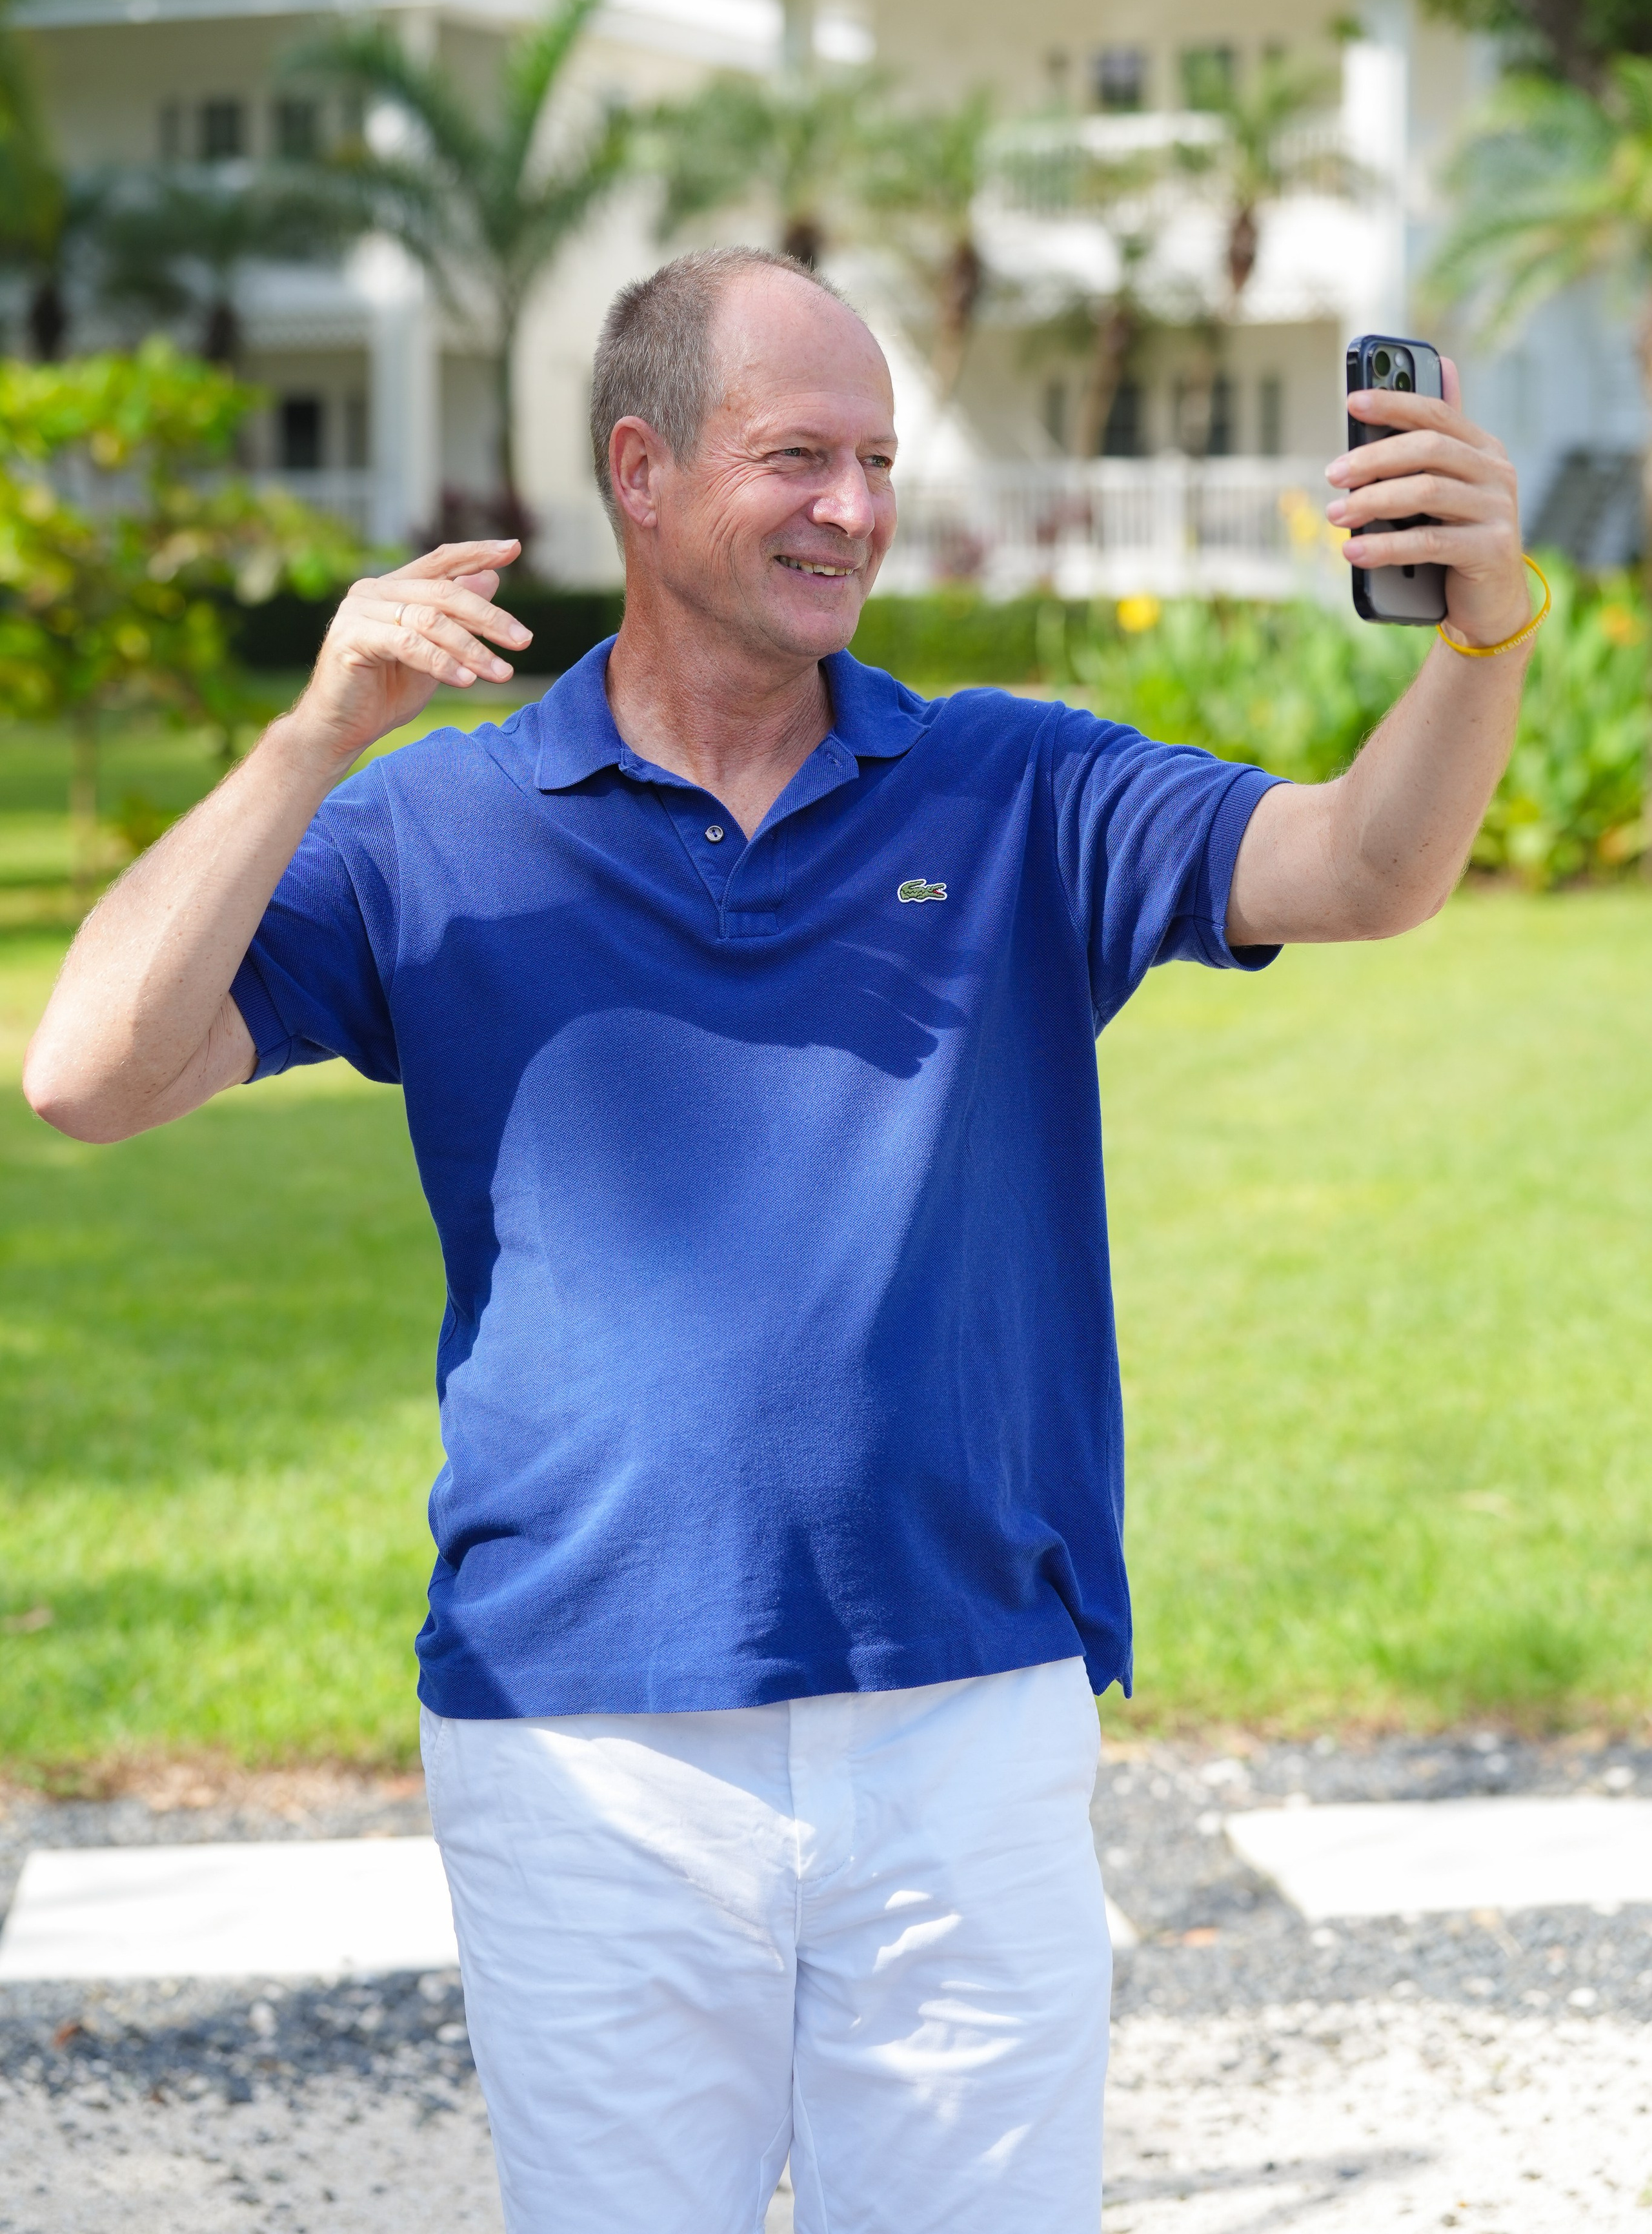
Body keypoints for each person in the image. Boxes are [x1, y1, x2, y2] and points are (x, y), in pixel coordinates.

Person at [24, 247, 1532, 2234]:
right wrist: (312, 742)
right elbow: (87, 1074)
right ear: (640, 473)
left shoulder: (1013, 786)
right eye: (798, 456)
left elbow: (1366, 866)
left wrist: (1482, 641)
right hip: (584, 1740)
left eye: (880, 462)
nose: (855, 510)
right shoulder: (439, 833)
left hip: (963, 1714)